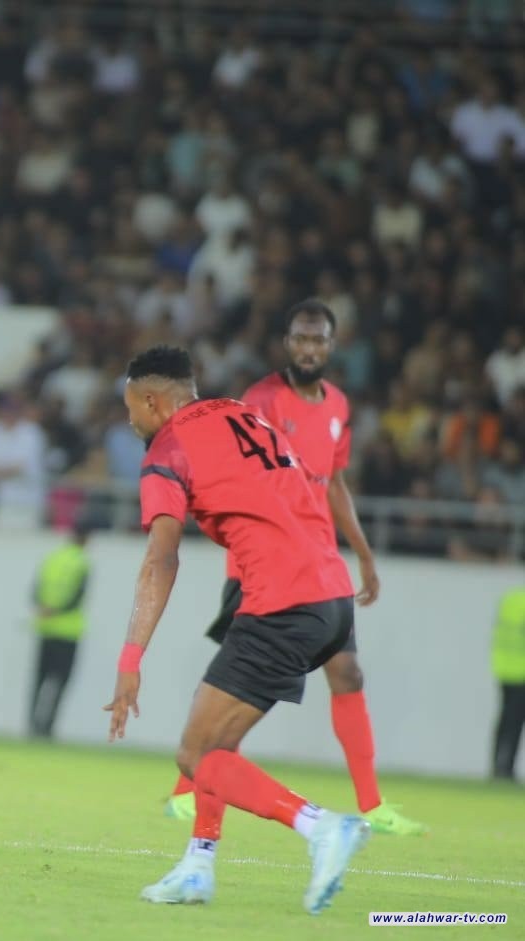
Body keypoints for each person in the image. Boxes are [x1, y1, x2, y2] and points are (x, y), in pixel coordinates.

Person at [105, 345, 369, 915]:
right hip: (330, 593)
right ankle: (198, 865)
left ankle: (321, 827)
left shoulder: (168, 450)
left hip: (282, 601)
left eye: (131, 409)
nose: (130, 422)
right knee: (215, 737)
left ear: (153, 401)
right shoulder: (244, 414)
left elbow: (161, 560)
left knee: (196, 754)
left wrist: (130, 659)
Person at [165, 300, 426, 836]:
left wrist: (364, 553)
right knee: (235, 687)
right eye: (301, 339)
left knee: (348, 673)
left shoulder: (337, 406)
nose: (309, 349)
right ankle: (188, 790)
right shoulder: (261, 400)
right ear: (287, 343)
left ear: (333, 345)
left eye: (319, 340)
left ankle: (372, 805)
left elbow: (333, 482)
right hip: (262, 565)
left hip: (319, 565)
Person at [28, 520, 91, 738]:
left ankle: (31, 725)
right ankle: (47, 728)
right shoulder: (82, 563)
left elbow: (35, 590)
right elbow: (78, 597)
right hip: (69, 633)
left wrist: (44, 610)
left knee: (39, 680)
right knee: (60, 683)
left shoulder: (52, 559)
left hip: (45, 628)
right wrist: (57, 611)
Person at [491, 584, 525, 781]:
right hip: (521, 672)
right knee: (514, 725)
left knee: (506, 723)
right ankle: (505, 770)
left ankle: (500, 767)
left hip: (504, 669)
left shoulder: (510, 600)